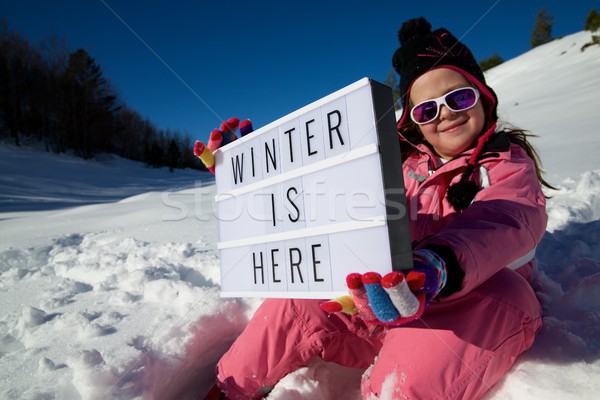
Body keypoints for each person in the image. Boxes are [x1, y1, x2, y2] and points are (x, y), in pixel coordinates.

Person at [199, 16, 554, 400]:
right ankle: (229, 389)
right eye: (427, 110)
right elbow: (326, 198)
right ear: (414, 122)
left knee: (507, 296)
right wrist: (257, 167)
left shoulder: (505, 165)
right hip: (379, 306)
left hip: (467, 308)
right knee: (298, 298)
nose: (446, 113)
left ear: (483, 97)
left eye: (459, 97)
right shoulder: (394, 168)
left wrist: (436, 264)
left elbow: (506, 219)